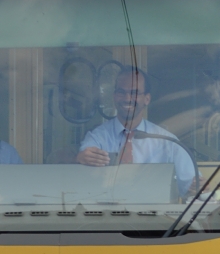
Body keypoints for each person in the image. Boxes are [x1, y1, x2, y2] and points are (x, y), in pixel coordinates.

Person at [76, 68, 195, 196]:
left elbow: (191, 186)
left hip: (154, 208)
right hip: (108, 207)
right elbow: (83, 173)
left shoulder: (167, 141)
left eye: (134, 93)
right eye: (121, 92)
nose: (127, 98)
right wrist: (81, 159)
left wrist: (197, 187)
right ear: (114, 96)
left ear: (147, 99)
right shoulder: (98, 137)